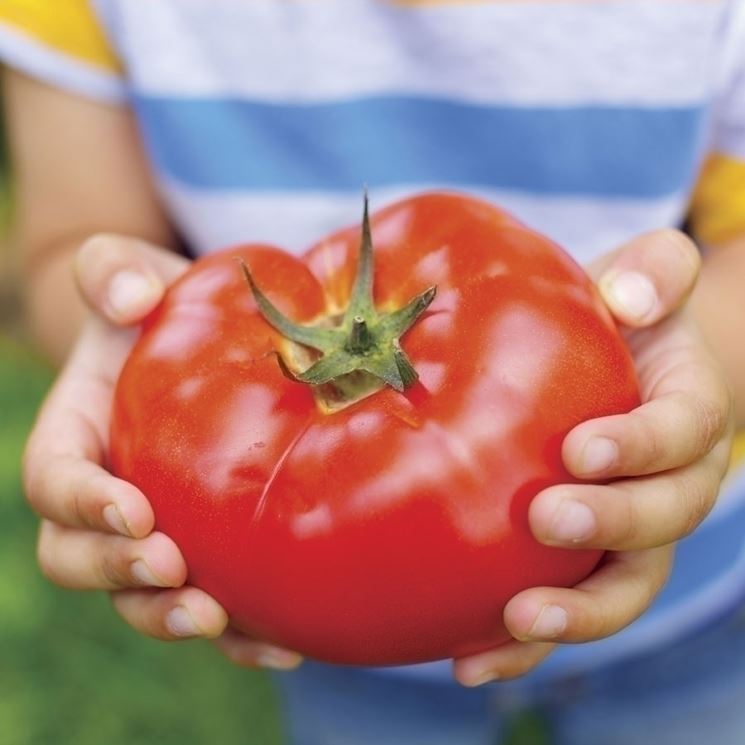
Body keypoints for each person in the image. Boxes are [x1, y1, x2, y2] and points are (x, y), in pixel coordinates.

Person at [2, 1, 745, 742]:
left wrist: (677, 384)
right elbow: (65, 244)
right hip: (329, 638)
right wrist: (127, 339)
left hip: (702, 589)